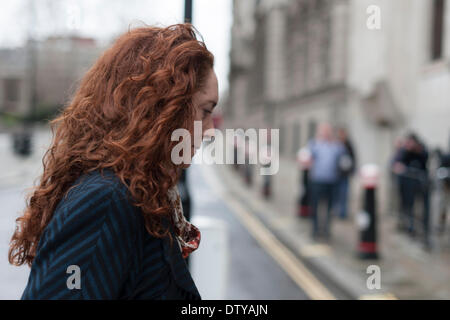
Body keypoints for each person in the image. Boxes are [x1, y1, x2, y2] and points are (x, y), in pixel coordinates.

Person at [9, 24, 218, 300]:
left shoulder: (140, 195)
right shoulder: (107, 200)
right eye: (205, 111)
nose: (211, 129)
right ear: (162, 108)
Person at [307, 123, 345, 240]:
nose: (326, 133)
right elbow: (307, 158)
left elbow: (344, 160)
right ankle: (315, 230)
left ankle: (327, 230)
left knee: (329, 208)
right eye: (323, 131)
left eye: (327, 131)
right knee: (315, 206)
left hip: (332, 181)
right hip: (317, 180)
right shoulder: (314, 144)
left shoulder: (337, 146)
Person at [392, 133, 430, 245]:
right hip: (407, 185)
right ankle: (409, 226)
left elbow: (425, 160)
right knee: (408, 205)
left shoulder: (422, 151)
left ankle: (422, 229)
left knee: (422, 208)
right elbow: (398, 163)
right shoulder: (405, 152)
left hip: (421, 185)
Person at [334, 127, 356, 219]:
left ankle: (343, 212)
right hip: (335, 174)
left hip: (345, 174)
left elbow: (353, 158)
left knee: (344, 194)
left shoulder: (348, 144)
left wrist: (352, 170)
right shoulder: (335, 144)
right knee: (336, 194)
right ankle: (335, 210)